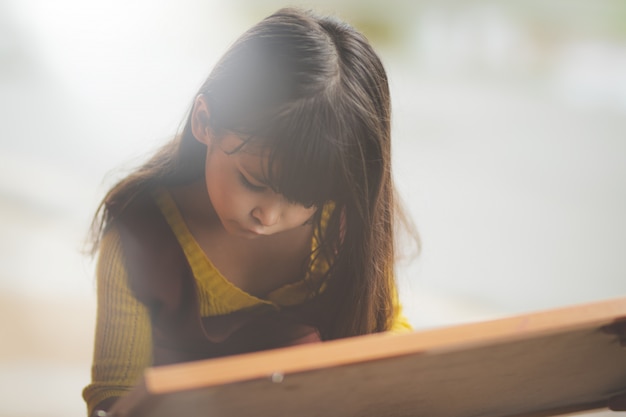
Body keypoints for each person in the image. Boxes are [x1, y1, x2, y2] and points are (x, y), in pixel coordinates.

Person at [82, 7, 417, 416]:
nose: (269, 217)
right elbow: (114, 399)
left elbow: (388, 334)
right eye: (253, 183)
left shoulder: (343, 222)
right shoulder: (141, 236)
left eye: (304, 199)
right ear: (205, 121)